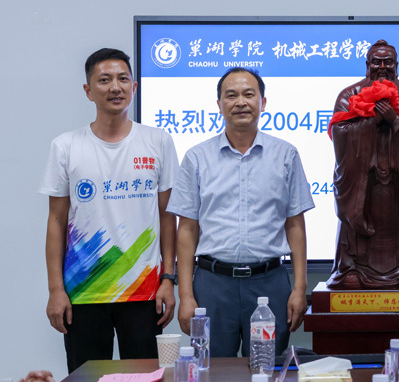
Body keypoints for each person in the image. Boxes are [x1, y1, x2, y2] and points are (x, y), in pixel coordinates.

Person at [39, 48, 178, 373]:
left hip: (144, 291)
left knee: (146, 378)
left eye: (122, 79)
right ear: (88, 90)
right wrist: (56, 289)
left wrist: (168, 279)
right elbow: (56, 221)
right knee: (87, 378)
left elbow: (167, 216)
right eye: (104, 80)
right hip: (84, 292)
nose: (115, 87)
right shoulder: (66, 146)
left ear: (134, 86)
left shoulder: (158, 141)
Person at [167, 67, 314, 357]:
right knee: (211, 370)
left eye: (249, 94)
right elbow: (187, 229)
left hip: (269, 283)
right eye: (231, 95)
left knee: (266, 368)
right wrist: (185, 295)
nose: (241, 102)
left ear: (263, 102)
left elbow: (295, 225)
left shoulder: (286, 155)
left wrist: (299, 288)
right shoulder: (197, 158)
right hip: (212, 284)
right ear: (219, 104)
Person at [327, 40, 399, 290]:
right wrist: (372, 121)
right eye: (377, 62)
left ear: (397, 65)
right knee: (355, 259)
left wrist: (395, 120)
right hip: (363, 187)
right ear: (367, 65)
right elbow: (340, 134)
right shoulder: (349, 96)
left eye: (388, 62)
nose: (382, 67)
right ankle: (352, 268)